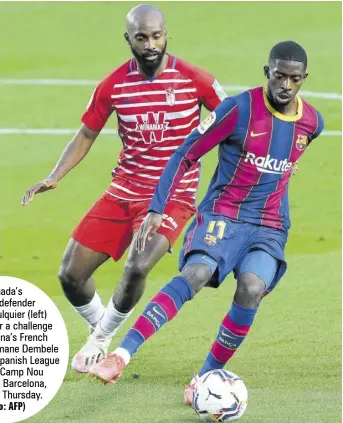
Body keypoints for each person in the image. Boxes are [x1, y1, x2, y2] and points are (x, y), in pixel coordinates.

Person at [87, 41, 324, 400]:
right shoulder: (237, 109)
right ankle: (121, 355)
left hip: (269, 226)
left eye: (294, 79)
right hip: (224, 215)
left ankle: (204, 379)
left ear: (304, 78)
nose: (285, 86)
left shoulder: (312, 123)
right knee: (195, 275)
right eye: (279, 76)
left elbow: (282, 171)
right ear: (267, 73)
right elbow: (185, 153)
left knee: (252, 289)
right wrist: (157, 207)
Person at [21, 4, 227, 373]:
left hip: (172, 196)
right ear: (128, 39)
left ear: (167, 35)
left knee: (137, 264)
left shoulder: (196, 79)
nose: (151, 44)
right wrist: (55, 176)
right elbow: (87, 133)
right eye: (142, 37)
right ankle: (101, 328)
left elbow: (232, 122)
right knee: (70, 274)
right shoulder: (113, 85)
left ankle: (99, 341)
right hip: (124, 190)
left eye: (157, 35)